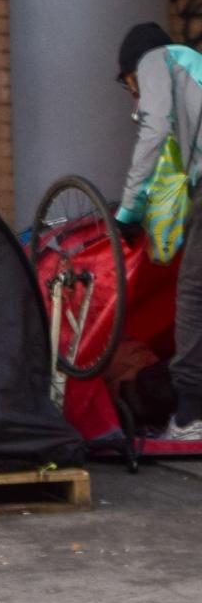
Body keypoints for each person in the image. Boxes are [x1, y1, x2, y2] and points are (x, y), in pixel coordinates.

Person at [116, 22, 202, 437]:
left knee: (193, 290)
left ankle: (188, 415)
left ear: (134, 70)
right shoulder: (194, 68)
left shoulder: (157, 58)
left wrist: (128, 213)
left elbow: (155, 132)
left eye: (131, 86)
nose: (135, 95)